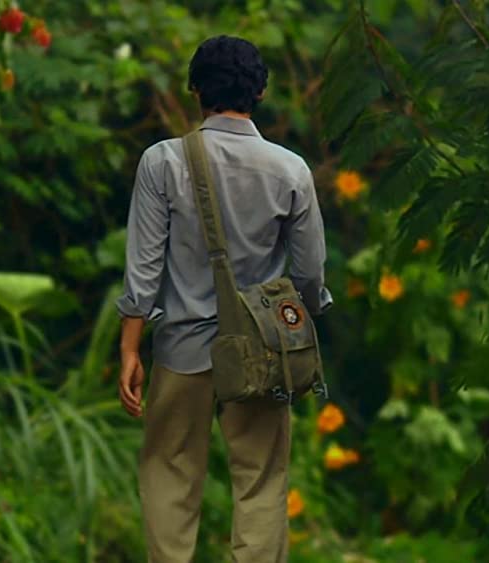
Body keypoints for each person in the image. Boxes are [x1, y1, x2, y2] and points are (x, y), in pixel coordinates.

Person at [115, 35, 332, 563]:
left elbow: (143, 268)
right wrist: (300, 320)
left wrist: (129, 349)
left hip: (181, 350)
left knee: (170, 470)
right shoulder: (289, 170)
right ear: (259, 92)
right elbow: (308, 273)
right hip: (262, 350)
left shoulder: (161, 162)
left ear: (195, 90)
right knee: (260, 482)